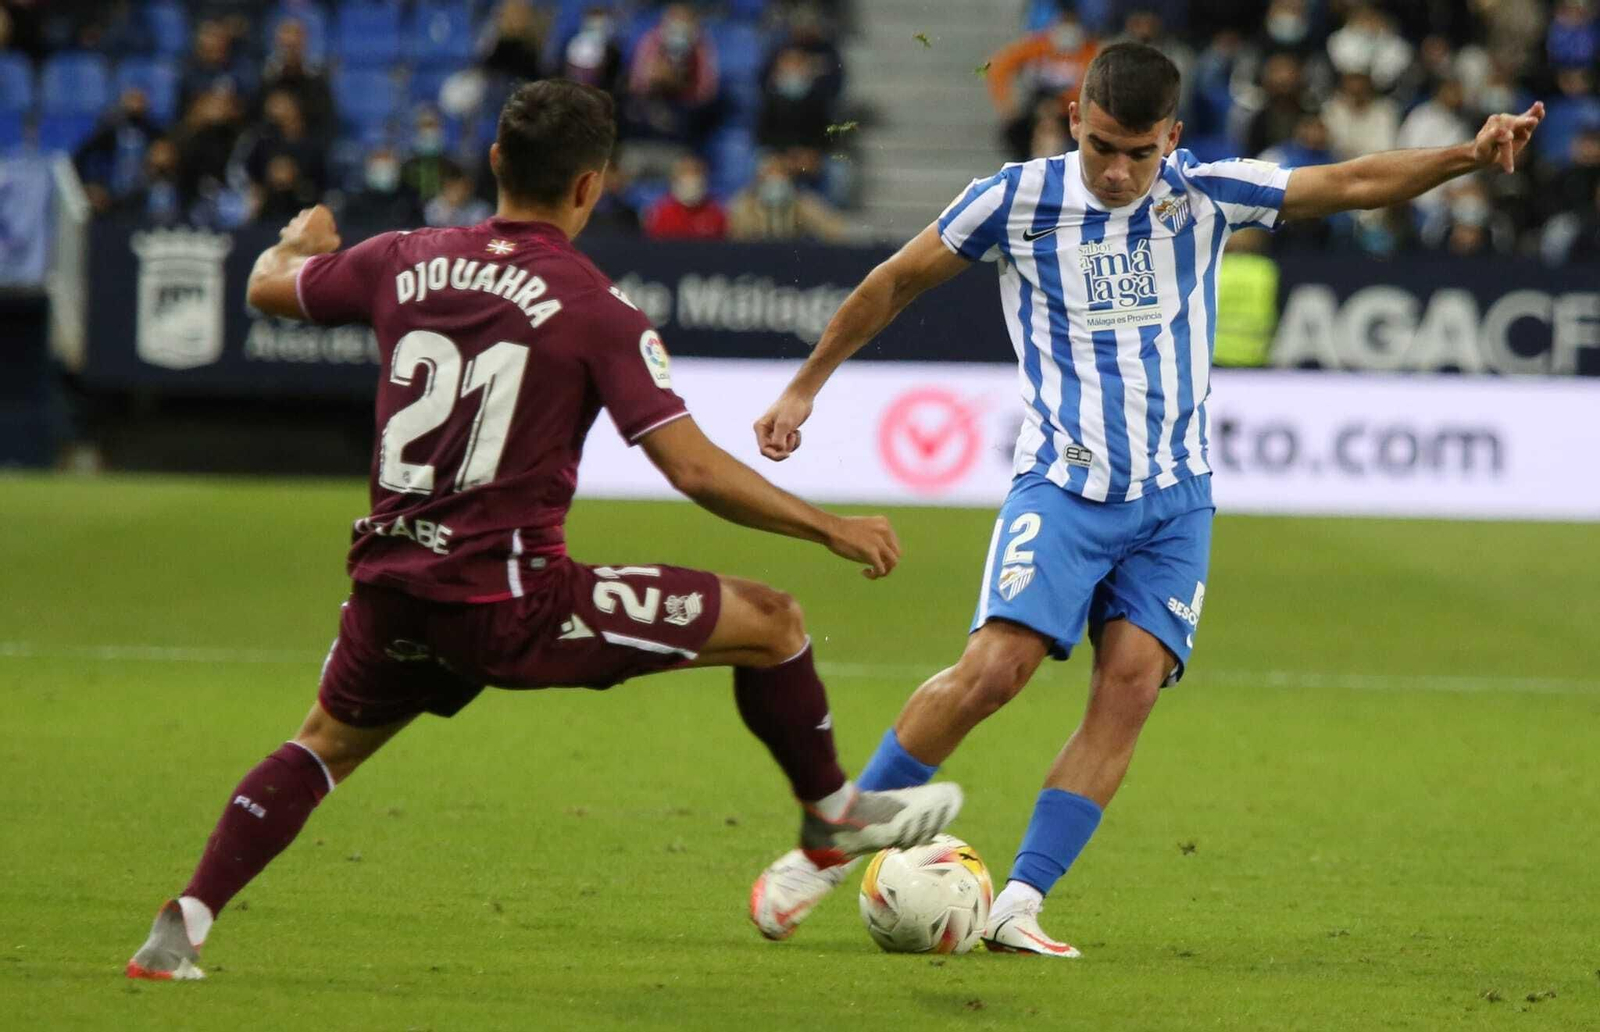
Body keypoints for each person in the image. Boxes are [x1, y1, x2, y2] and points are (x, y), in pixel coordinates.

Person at [124, 79, 961, 981]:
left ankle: (184, 922)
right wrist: (828, 525)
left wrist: (294, 242)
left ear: (494, 163)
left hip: (392, 591)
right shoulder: (595, 308)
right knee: (773, 623)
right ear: (590, 187)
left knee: (321, 747)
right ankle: (829, 811)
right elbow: (693, 469)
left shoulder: (401, 258)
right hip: (512, 603)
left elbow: (265, 286)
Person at [746, 41, 1543, 954]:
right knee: (993, 672)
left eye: (1141, 153)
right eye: (1104, 149)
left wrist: (1465, 157)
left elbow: (1355, 180)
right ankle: (831, 842)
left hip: (1176, 501)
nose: (1120, 172)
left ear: (1173, 136)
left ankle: (1020, 903)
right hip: (1064, 484)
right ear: (1076, 117)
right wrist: (805, 386)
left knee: (1127, 694)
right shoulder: (1014, 199)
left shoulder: (1205, 192)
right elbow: (893, 281)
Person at [727, 155, 850, 243]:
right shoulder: (744, 203)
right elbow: (735, 238)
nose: (775, 178)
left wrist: (804, 212)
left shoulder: (803, 202)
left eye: (781, 173)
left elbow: (836, 232)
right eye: (770, 172)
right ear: (759, 178)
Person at [642, 156, 727, 240]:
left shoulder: (716, 213)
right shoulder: (661, 214)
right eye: (685, 176)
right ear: (674, 181)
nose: (691, 184)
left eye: (695, 175)